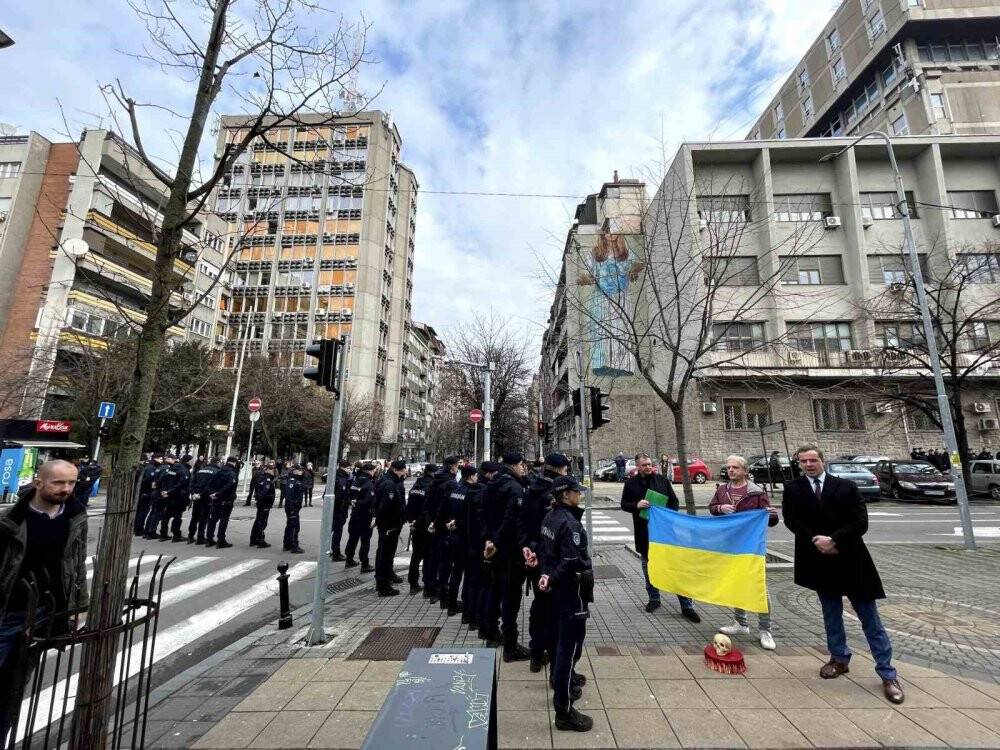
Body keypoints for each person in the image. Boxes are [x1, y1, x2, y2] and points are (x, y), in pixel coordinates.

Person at [782, 443, 904, 704]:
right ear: (799, 464)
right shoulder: (794, 488)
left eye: (813, 460)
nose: (808, 465)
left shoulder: (845, 487)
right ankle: (839, 658)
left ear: (822, 460)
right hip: (819, 560)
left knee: (870, 618)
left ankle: (887, 673)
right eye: (803, 461)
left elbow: (860, 521)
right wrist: (817, 541)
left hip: (851, 559)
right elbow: (792, 520)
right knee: (831, 614)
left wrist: (834, 540)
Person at [0, 460, 89, 738]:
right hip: (9, 610)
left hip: (44, 612)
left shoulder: (75, 516)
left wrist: (79, 605)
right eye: (58, 482)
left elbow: (77, 563)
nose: (66, 489)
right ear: (38, 482)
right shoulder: (11, 519)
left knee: (13, 687)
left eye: (71, 482)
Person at [538, 474, 593, 733]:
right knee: (567, 652)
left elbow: (544, 552)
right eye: (575, 491)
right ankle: (564, 711)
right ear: (565, 495)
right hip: (572, 592)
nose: (579, 494)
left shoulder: (550, 516)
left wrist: (545, 576)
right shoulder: (570, 524)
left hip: (557, 592)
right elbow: (570, 561)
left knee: (559, 645)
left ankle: (561, 687)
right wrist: (552, 578)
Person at [710, 455, 779, 650]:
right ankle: (741, 623)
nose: (731, 470)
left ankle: (765, 630)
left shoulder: (756, 493)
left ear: (745, 471)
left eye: (735, 467)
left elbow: (770, 520)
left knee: (760, 587)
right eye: (729, 467)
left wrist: (772, 515)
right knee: (736, 583)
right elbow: (712, 508)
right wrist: (720, 508)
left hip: (752, 548)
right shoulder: (722, 490)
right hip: (730, 545)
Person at [621, 453, 700, 622]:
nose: (648, 467)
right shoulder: (630, 484)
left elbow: (674, 502)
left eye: (649, 464)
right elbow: (624, 504)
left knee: (675, 568)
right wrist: (636, 505)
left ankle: (686, 605)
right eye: (644, 465)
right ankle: (654, 599)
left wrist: (666, 515)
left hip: (665, 532)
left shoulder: (662, 481)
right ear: (637, 467)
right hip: (644, 532)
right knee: (648, 566)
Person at [519, 452, 569, 672]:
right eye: (565, 469)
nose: (566, 473)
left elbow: (523, 521)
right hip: (550, 558)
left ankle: (536, 653)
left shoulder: (532, 487)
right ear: (558, 470)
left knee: (539, 605)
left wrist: (528, 546)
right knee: (552, 608)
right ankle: (551, 653)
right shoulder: (554, 493)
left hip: (533, 555)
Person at [490, 451, 531, 662]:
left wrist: (489, 541)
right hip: (510, 551)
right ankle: (510, 646)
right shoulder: (514, 488)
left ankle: (493, 633)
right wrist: (497, 543)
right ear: (514, 465)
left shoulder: (493, 482)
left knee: (498, 592)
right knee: (511, 598)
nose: (523, 468)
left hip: (496, 550)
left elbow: (484, 514)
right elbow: (511, 521)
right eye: (522, 465)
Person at [436, 464, 477, 615]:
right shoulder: (470, 492)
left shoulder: (455, 490)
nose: (477, 478)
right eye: (476, 475)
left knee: (455, 571)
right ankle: (461, 605)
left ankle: (451, 602)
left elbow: (444, 509)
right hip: (464, 537)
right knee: (465, 573)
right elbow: (470, 518)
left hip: (452, 535)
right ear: (471, 476)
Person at [424, 457, 460, 602]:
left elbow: (428, 502)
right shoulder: (450, 483)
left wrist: (430, 521)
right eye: (457, 466)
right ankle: (441, 591)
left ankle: (429, 588)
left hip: (433, 523)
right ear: (452, 467)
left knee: (432, 557)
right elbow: (449, 505)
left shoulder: (435, 480)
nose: (458, 468)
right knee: (445, 561)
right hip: (444, 524)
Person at [374, 459, 407, 596]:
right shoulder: (390, 484)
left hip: (388, 524)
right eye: (403, 470)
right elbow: (385, 507)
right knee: (385, 555)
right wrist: (385, 523)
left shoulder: (387, 480)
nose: (405, 472)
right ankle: (383, 586)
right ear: (395, 470)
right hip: (389, 525)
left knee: (383, 553)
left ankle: (383, 580)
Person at [404, 463, 436, 593]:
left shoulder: (416, 485)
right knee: (428, 555)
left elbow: (409, 506)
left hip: (415, 525)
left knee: (416, 555)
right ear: (433, 473)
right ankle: (427, 583)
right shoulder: (431, 486)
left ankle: (413, 583)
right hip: (425, 525)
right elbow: (427, 509)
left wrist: (411, 521)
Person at [344, 462, 377, 572]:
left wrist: (354, 502)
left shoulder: (356, 481)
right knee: (365, 540)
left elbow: (349, 496)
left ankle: (349, 559)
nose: (374, 472)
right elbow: (369, 501)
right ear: (370, 471)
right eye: (374, 470)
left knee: (352, 538)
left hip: (355, 514)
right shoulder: (369, 483)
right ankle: (365, 564)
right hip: (365, 515)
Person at [205, 457, 238, 548]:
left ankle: (209, 540)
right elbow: (229, 486)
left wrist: (212, 493)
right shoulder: (232, 473)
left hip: (216, 499)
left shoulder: (218, 472)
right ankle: (221, 541)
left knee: (213, 519)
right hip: (226, 499)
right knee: (224, 520)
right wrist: (217, 493)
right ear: (234, 463)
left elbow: (209, 484)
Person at [158, 454, 192, 542]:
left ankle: (163, 534)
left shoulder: (171, 469)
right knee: (177, 516)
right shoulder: (184, 470)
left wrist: (165, 491)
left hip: (169, 495)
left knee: (166, 515)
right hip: (178, 496)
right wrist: (169, 491)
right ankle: (176, 535)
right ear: (188, 461)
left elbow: (164, 480)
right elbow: (182, 484)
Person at [189, 456, 220, 544]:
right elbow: (211, 485)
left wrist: (194, 493)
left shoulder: (201, 470)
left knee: (195, 517)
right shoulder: (216, 471)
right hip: (207, 496)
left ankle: (190, 536)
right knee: (204, 517)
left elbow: (192, 482)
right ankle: (200, 537)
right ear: (217, 462)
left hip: (197, 496)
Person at [143, 454, 175, 538]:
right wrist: (163, 490)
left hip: (155, 491)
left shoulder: (159, 467)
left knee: (153, 512)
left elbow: (154, 479)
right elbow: (162, 479)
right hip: (159, 492)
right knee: (157, 512)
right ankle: (151, 532)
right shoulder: (166, 468)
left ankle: (147, 531)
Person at [249, 461, 278, 548]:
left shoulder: (261, 477)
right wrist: (265, 502)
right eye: (272, 470)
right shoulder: (267, 480)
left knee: (258, 521)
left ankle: (253, 539)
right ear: (268, 470)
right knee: (262, 522)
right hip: (265, 503)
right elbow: (264, 493)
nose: (273, 472)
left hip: (261, 503)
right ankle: (260, 540)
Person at [329, 459, 354, 561]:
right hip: (338, 509)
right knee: (337, 531)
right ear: (342, 468)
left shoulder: (345, 477)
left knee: (335, 531)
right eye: (348, 468)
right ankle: (335, 553)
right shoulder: (339, 478)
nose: (350, 470)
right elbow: (340, 495)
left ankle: (332, 551)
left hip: (341, 509)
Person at [134, 453, 163, 536]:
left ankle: (137, 527)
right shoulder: (151, 467)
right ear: (155, 458)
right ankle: (139, 529)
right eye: (160, 459)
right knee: (143, 511)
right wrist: (152, 486)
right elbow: (149, 479)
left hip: (143, 491)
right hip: (146, 491)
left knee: (140, 510)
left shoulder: (147, 466)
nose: (162, 461)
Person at [282, 465, 306, 554]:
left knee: (289, 525)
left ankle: (287, 544)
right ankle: (294, 546)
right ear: (295, 471)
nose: (301, 471)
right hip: (292, 507)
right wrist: (292, 508)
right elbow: (290, 497)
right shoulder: (293, 481)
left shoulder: (295, 480)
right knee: (294, 527)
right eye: (300, 470)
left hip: (293, 507)